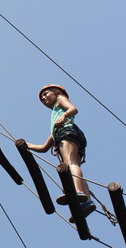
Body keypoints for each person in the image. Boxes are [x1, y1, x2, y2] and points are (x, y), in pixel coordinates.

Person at [26, 84, 96, 220]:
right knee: (74, 165)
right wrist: (28, 145)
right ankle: (86, 201)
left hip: (68, 132)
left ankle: (78, 192)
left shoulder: (60, 99)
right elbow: (44, 147)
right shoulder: (55, 126)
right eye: (42, 98)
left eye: (46, 94)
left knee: (70, 163)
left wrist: (63, 116)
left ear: (56, 92)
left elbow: (73, 109)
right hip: (69, 134)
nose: (44, 98)